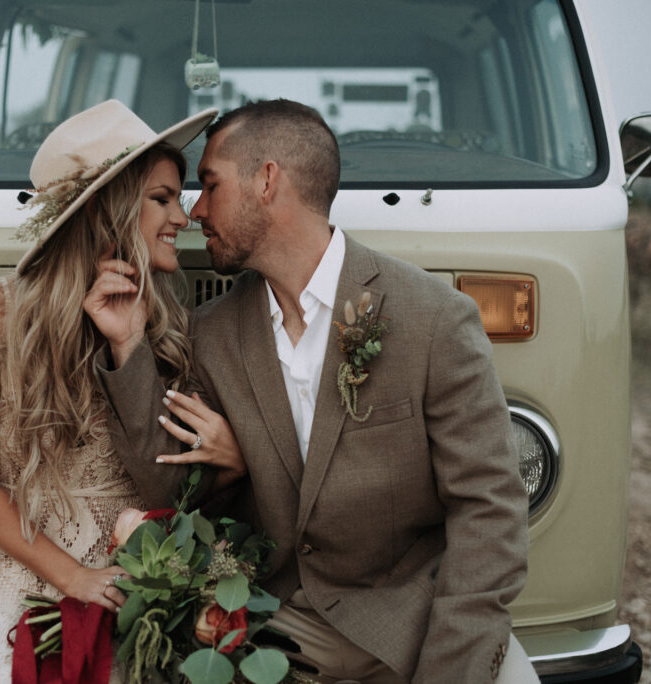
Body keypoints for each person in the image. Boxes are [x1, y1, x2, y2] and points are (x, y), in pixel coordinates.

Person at [92, 99, 538, 683]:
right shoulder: (213, 333)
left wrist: (450, 670)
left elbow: (489, 513)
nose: (196, 210)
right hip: (276, 631)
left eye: (209, 184)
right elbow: (168, 482)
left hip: (411, 626)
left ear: (267, 180)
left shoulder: (434, 319)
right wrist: (126, 345)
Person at [0, 99, 217, 682]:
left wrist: (129, 346)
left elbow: (166, 480)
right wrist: (73, 577)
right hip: (22, 584)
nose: (185, 215)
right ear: (107, 208)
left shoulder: (165, 327)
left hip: (135, 590)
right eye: (163, 198)